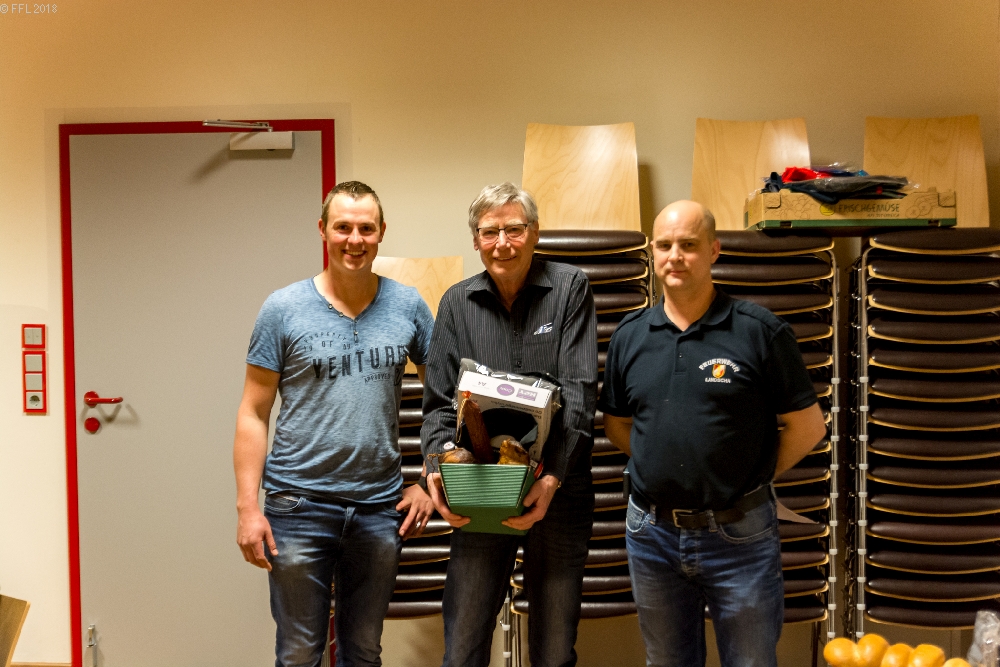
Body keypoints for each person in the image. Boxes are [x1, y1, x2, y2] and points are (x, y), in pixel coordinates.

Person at [599, 200, 827, 667]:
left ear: (714, 250)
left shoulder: (760, 332)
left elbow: (808, 427)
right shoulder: (629, 336)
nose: (675, 256)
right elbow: (618, 425)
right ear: (652, 252)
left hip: (740, 535)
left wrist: (745, 473)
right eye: (664, 245)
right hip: (652, 535)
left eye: (688, 244)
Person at [233, 181, 436, 667]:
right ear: (323, 230)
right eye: (343, 227)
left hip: (378, 509)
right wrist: (247, 508)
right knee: (299, 653)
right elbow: (253, 412)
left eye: (366, 228)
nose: (355, 240)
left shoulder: (408, 306)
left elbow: (446, 402)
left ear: (382, 232)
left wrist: (431, 479)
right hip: (298, 506)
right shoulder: (283, 308)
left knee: (363, 651)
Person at [421, 182, 598, 667]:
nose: (502, 243)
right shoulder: (456, 303)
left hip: (558, 491)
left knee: (553, 650)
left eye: (514, 229)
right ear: (476, 240)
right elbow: (438, 404)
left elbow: (579, 392)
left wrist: (552, 478)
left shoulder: (570, 288)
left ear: (534, 232)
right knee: (462, 647)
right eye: (489, 232)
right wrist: (436, 469)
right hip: (482, 485)